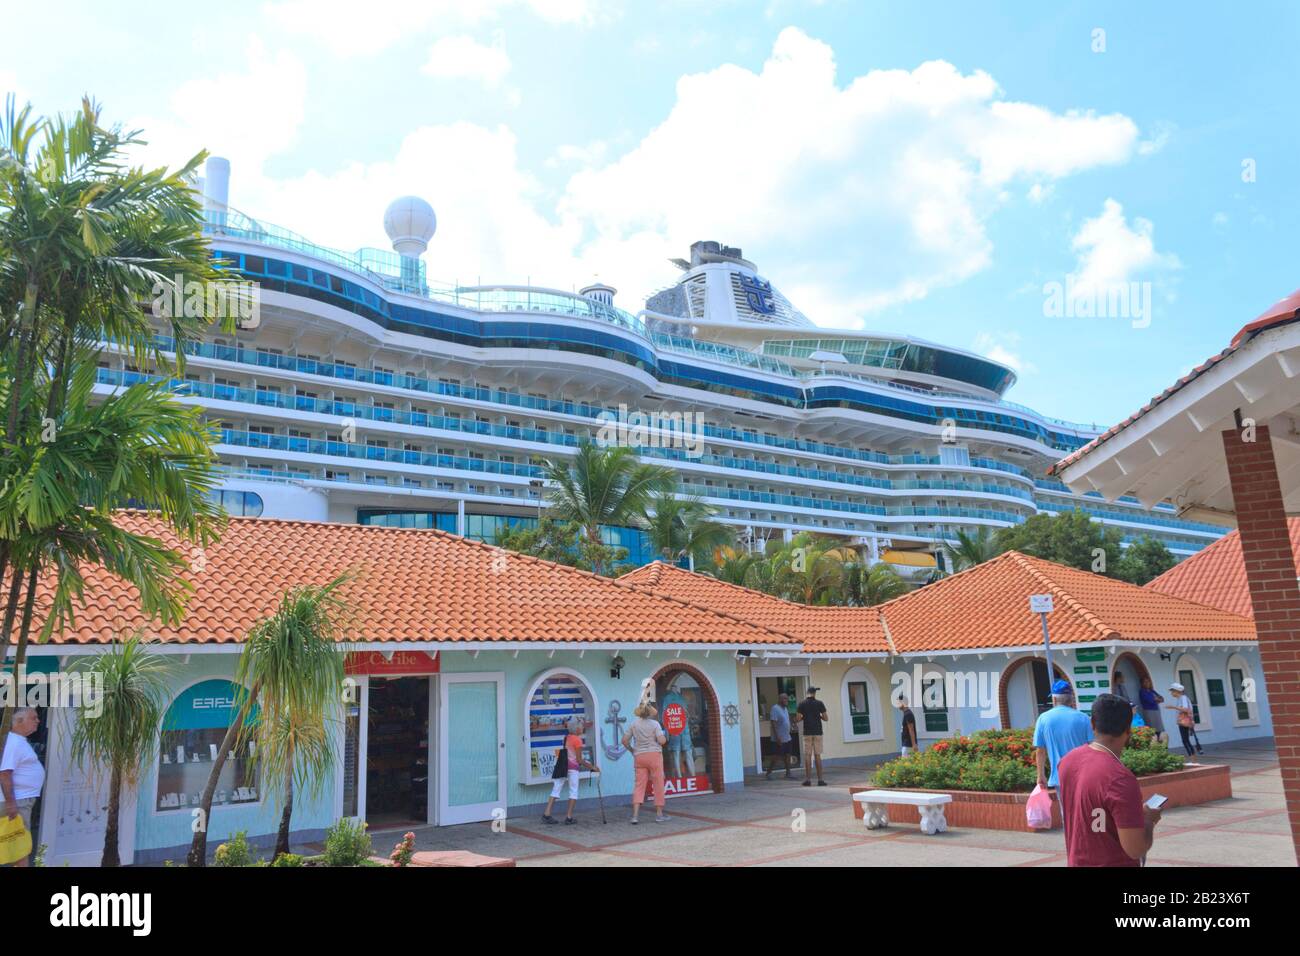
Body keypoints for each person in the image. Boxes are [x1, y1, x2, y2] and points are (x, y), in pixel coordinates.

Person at [1056, 693, 1162, 866]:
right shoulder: (1120, 779)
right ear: (1128, 730)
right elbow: (1135, 849)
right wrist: (1149, 820)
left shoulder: (1067, 761)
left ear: (1092, 724)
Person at [1, 708, 44, 868]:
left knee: (16, 845)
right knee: (20, 847)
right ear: (19, 722)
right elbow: (5, 773)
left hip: (21, 800)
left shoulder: (18, 741)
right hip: (18, 801)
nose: (38, 721)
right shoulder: (14, 743)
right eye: (34, 718)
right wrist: (11, 803)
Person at [1032, 680, 1092, 790]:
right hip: (1084, 776)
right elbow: (1093, 746)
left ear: (1054, 699)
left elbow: (1040, 750)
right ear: (1071, 699)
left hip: (1059, 777)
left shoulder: (1043, 718)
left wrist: (1040, 775)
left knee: (1065, 807)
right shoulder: (1084, 718)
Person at [542, 717, 598, 825]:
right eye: (581, 726)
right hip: (572, 768)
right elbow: (579, 759)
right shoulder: (578, 740)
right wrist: (592, 767)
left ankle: (547, 814)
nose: (582, 728)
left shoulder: (566, 737)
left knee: (556, 789)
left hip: (563, 766)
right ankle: (568, 817)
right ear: (577, 728)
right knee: (573, 791)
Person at [622, 702, 669, 823]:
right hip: (654, 756)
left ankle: (635, 816)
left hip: (639, 756)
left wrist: (632, 750)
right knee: (658, 784)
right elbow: (662, 741)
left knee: (639, 785)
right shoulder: (655, 724)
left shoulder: (634, 724)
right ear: (650, 713)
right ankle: (659, 814)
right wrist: (665, 736)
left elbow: (624, 741)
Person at [660, 678, 695, 780]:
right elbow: (665, 716)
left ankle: (692, 776)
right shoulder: (667, 699)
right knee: (676, 753)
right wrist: (667, 732)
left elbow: (686, 713)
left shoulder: (681, 698)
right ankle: (679, 777)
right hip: (674, 729)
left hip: (683, 729)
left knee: (687, 752)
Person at [796, 687, 829, 787]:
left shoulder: (802, 704)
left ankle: (808, 780)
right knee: (818, 755)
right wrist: (819, 716)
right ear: (814, 693)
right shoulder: (820, 703)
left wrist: (804, 716)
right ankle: (820, 780)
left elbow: (797, 718)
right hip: (818, 732)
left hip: (807, 732)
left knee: (807, 755)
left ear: (807, 693)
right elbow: (826, 718)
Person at [1166, 682, 1200, 757]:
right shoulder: (1180, 698)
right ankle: (1192, 758)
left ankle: (1193, 759)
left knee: (1185, 740)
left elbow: (1185, 709)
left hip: (1185, 722)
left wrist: (1173, 707)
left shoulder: (1183, 698)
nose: (1171, 693)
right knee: (1185, 740)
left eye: (1172, 691)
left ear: (1177, 691)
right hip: (1183, 722)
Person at [765, 692, 794, 780]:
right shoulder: (775, 708)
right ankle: (769, 772)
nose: (787, 700)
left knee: (788, 754)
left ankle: (788, 773)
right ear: (780, 699)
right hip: (779, 737)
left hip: (787, 736)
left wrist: (792, 726)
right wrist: (777, 736)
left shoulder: (785, 709)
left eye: (787, 698)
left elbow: (786, 720)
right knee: (776, 756)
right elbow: (773, 723)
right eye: (785, 698)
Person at [1138, 677, 1166, 742]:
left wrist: (1157, 699)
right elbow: (1151, 700)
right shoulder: (1142, 691)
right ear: (1142, 683)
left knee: (1159, 729)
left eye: (1148, 681)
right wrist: (1156, 699)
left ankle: (1159, 745)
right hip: (1149, 712)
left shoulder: (1151, 691)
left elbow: (1162, 698)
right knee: (1152, 730)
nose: (1147, 683)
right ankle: (1154, 745)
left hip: (1156, 710)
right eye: (1145, 682)